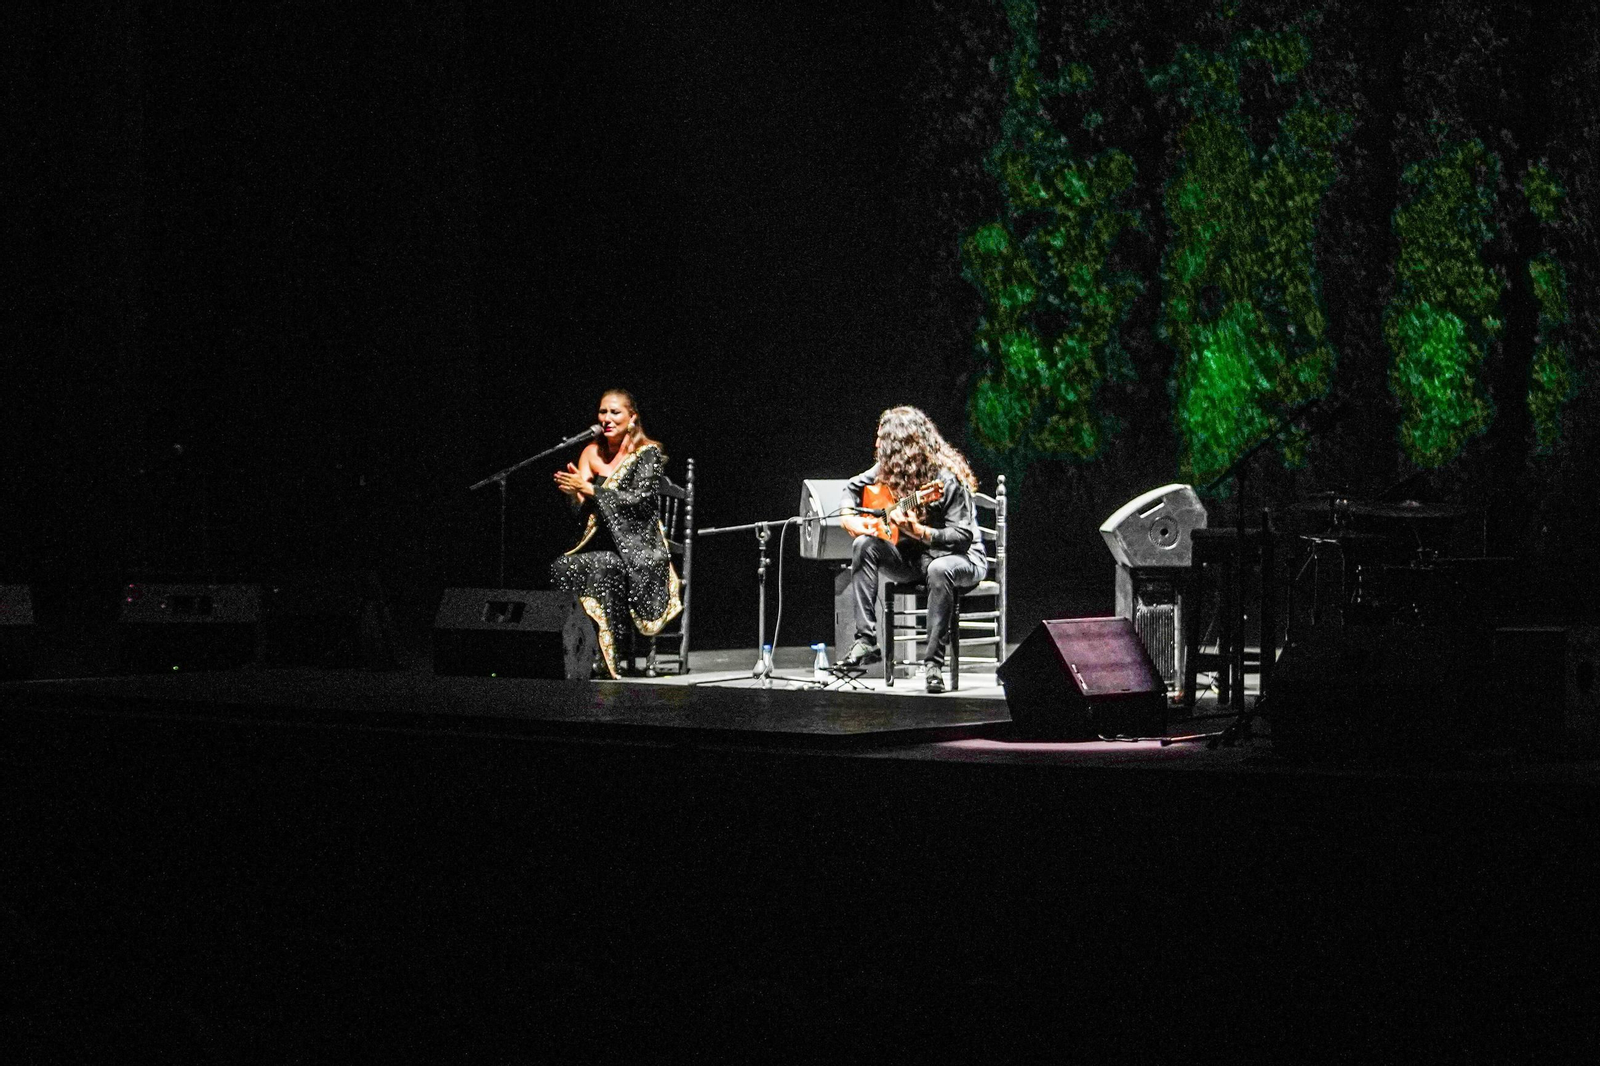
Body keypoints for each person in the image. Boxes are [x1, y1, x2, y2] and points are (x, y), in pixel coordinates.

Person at [837, 406, 986, 693]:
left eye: (883, 440)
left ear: (901, 447)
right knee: (864, 544)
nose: (877, 445)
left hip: (961, 560)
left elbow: (963, 536)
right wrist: (848, 518)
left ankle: (932, 665)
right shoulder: (887, 470)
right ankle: (866, 640)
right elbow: (851, 488)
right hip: (917, 561)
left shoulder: (945, 478)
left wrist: (919, 531)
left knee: (939, 569)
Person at [551, 390, 682, 679]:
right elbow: (581, 512)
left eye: (614, 412)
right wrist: (574, 496)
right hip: (596, 544)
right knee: (562, 565)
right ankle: (572, 652)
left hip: (637, 545)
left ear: (632, 417)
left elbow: (638, 502)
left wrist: (591, 489)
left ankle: (608, 657)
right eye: (602, 412)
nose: (606, 419)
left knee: (607, 566)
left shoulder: (648, 454)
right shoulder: (589, 452)